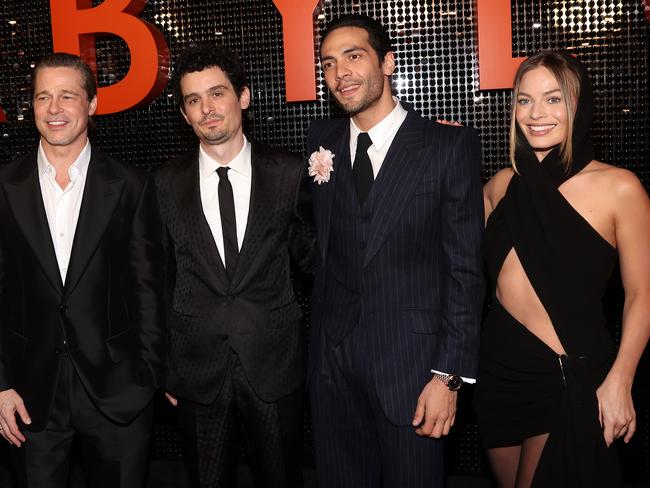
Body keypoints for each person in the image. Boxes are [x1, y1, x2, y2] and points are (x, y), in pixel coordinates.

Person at [306, 14, 485, 487]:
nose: (340, 71)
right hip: (333, 370)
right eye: (328, 63)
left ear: (387, 63)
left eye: (353, 56)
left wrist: (448, 377)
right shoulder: (320, 143)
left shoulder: (447, 145)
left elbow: (466, 272)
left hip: (412, 370)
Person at [475, 50, 650, 487]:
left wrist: (621, 380)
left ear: (578, 105)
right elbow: (455, 268)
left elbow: (641, 296)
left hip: (567, 377)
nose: (537, 114)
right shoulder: (498, 187)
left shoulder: (619, 187)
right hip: (499, 372)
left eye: (553, 99)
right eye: (524, 100)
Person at [0, 53, 165, 487]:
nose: (54, 109)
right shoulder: (4, 186)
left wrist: (146, 377)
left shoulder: (131, 185)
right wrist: (0, 385)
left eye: (67, 96)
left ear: (91, 104)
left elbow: (150, 288)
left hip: (118, 392)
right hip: (28, 395)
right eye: (43, 97)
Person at [154, 43, 315, 488]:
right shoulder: (163, 183)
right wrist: (163, 365)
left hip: (274, 365)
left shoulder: (288, 173)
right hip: (194, 372)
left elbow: (318, 260)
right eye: (193, 100)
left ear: (242, 97)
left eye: (217, 93)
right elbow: (155, 281)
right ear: (184, 114)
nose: (207, 109)